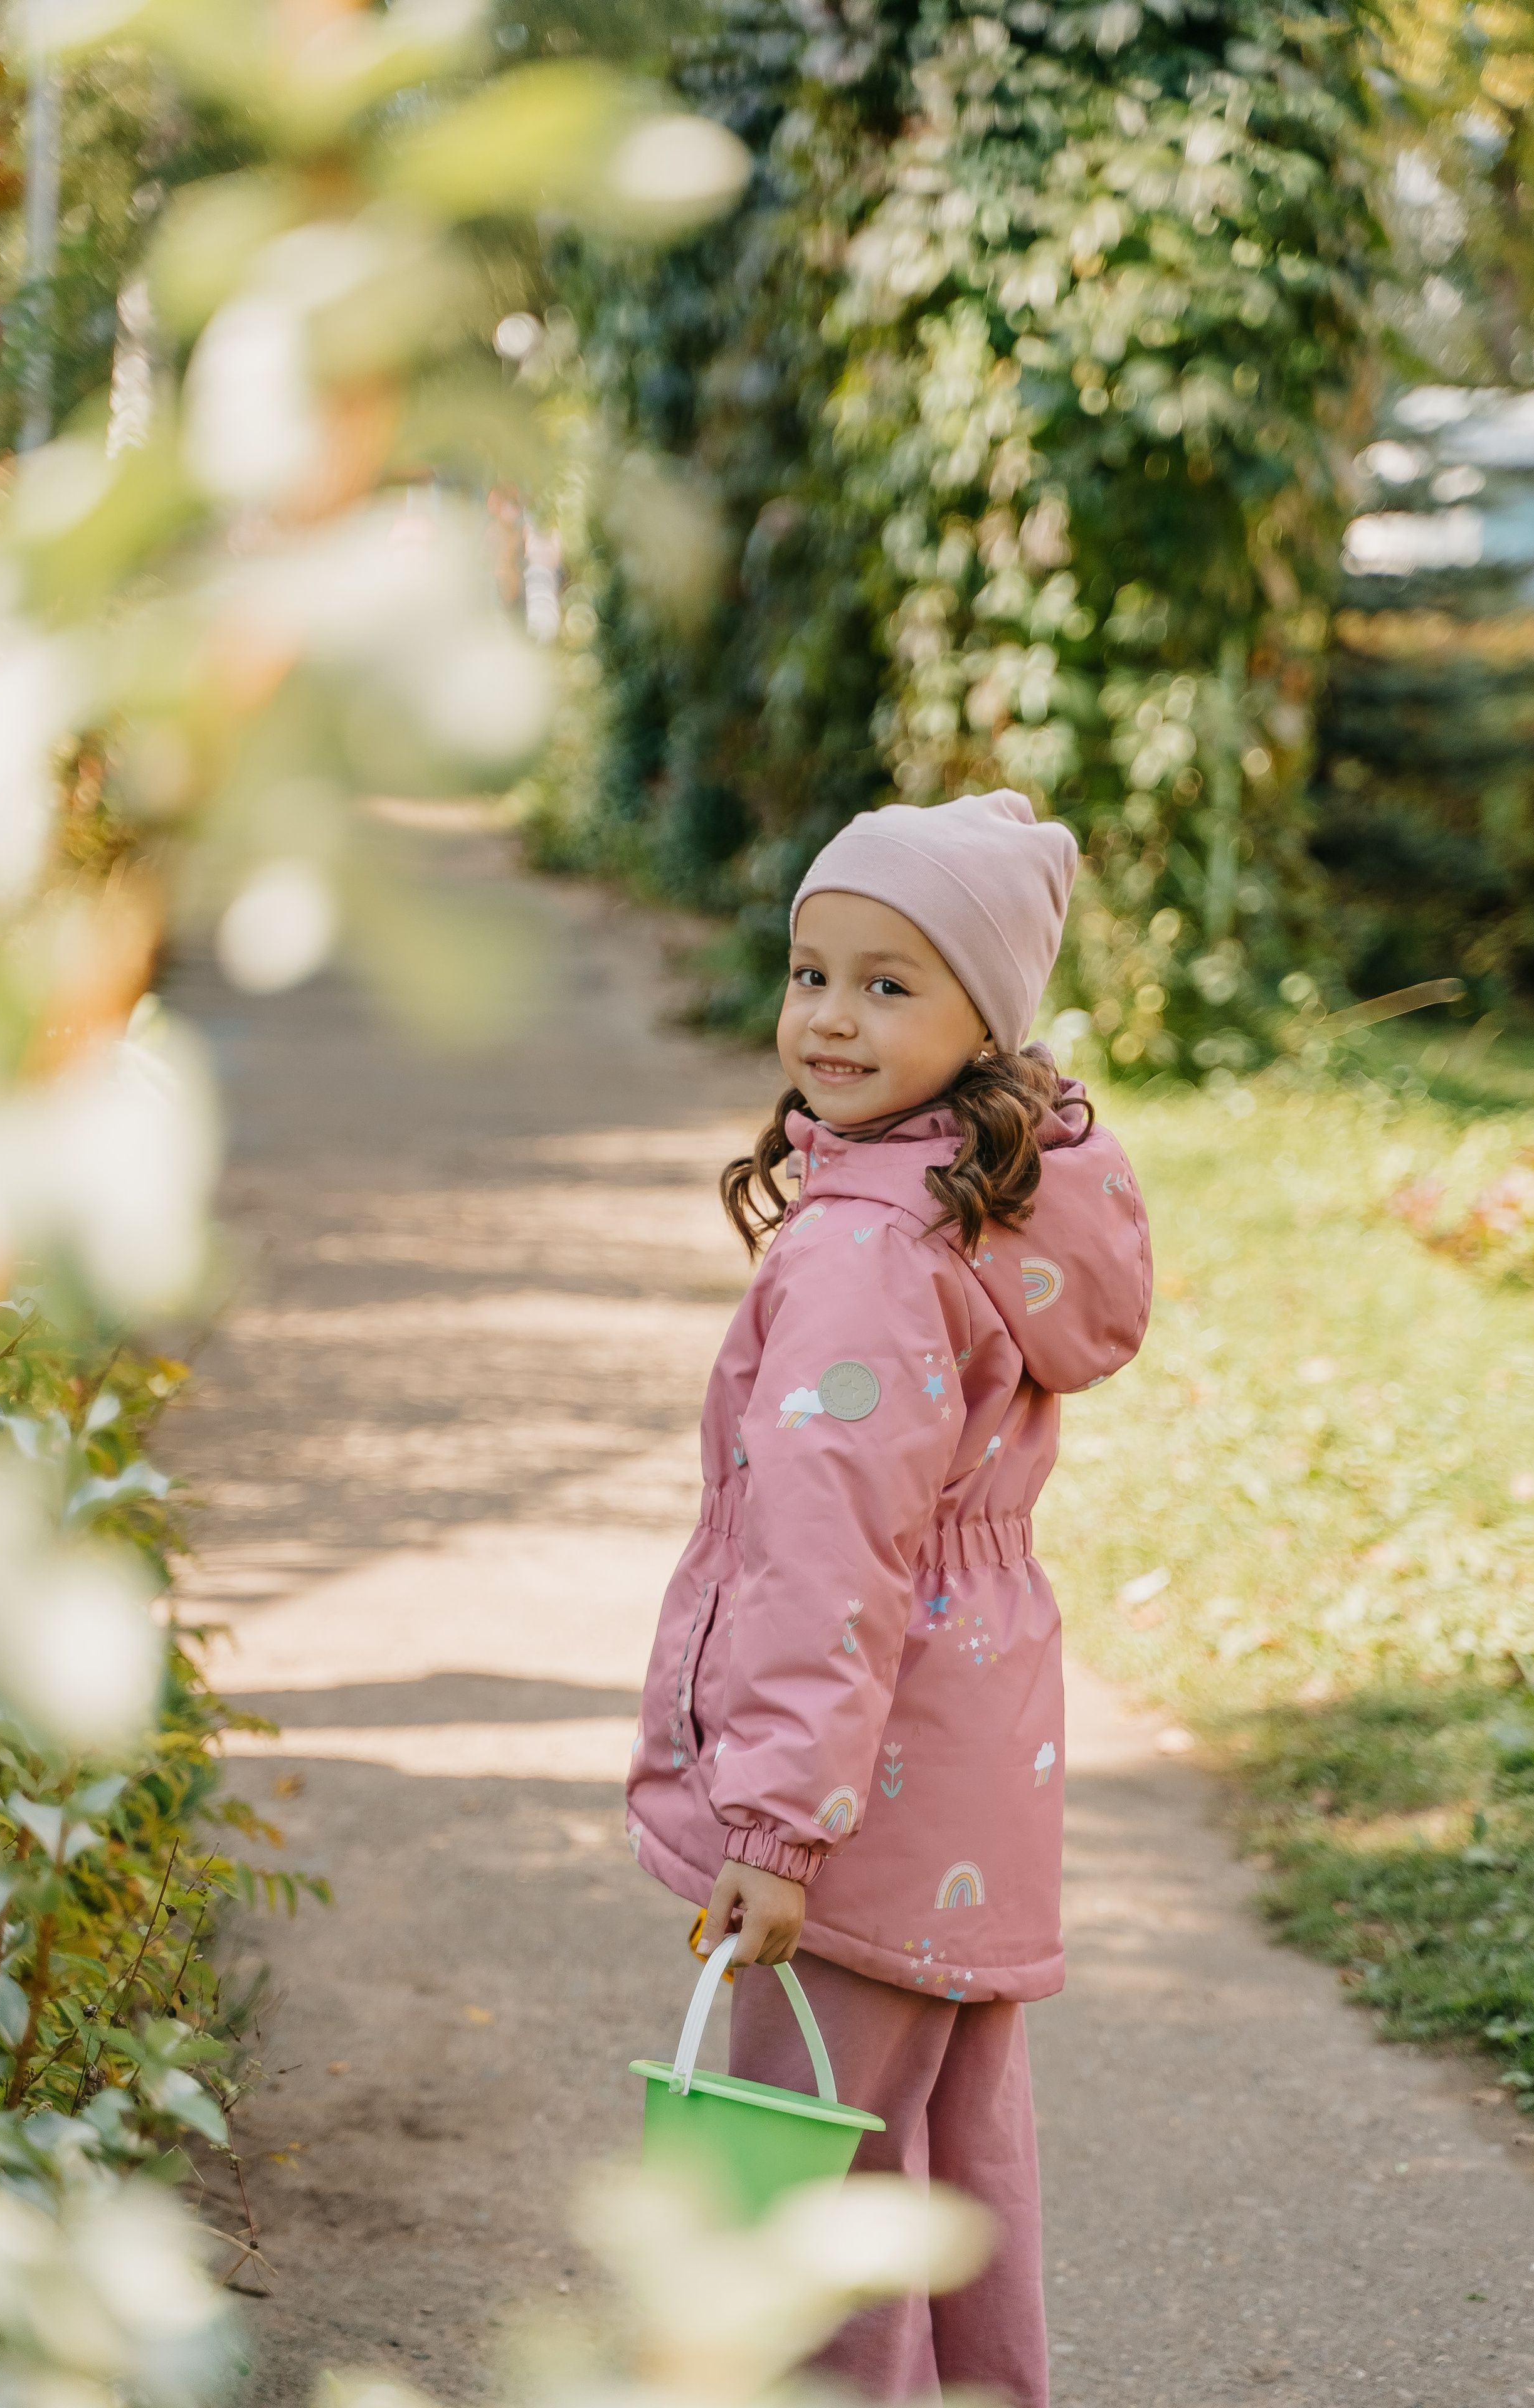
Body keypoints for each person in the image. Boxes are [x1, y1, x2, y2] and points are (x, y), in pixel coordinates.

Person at [627, 789, 1151, 2406]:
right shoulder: (986, 1202)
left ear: (985, 1016)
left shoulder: (865, 1245)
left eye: (890, 983)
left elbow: (827, 1555)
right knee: (943, 2163)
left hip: (855, 1789)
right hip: (973, 1759)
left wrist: (775, 1830)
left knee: (809, 2189)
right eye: (811, 972)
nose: (831, 1019)